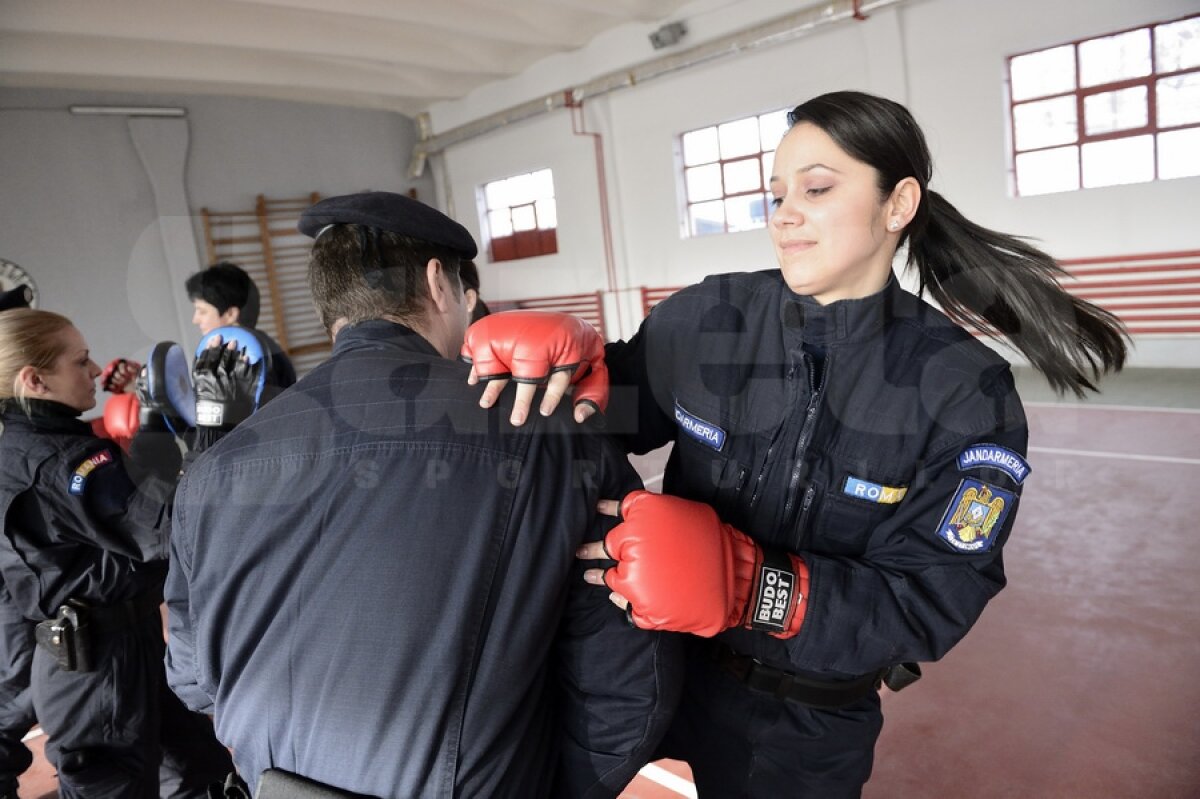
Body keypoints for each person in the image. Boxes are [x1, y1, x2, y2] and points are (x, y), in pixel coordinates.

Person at [462, 90, 1129, 797]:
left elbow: (932, 596)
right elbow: (614, 414)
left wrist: (756, 586)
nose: (783, 214)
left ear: (897, 204)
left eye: (815, 189)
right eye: (775, 194)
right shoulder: (707, 320)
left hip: (804, 726)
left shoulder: (963, 390)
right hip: (653, 670)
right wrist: (561, 381)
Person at [164, 191, 680, 798]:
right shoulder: (548, 429)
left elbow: (192, 677)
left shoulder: (215, 467)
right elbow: (625, 675)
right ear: (440, 283)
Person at [0, 308, 238, 798]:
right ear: (34, 380)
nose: (95, 370)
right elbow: (168, 526)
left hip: (120, 650)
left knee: (201, 770)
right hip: (99, 671)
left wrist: (153, 413)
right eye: (80, 361)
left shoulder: (32, 449)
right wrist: (211, 428)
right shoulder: (63, 464)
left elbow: (127, 505)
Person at [185, 261, 298, 393]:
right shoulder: (266, 344)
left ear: (230, 314)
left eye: (202, 311)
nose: (195, 320)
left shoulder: (242, 357)